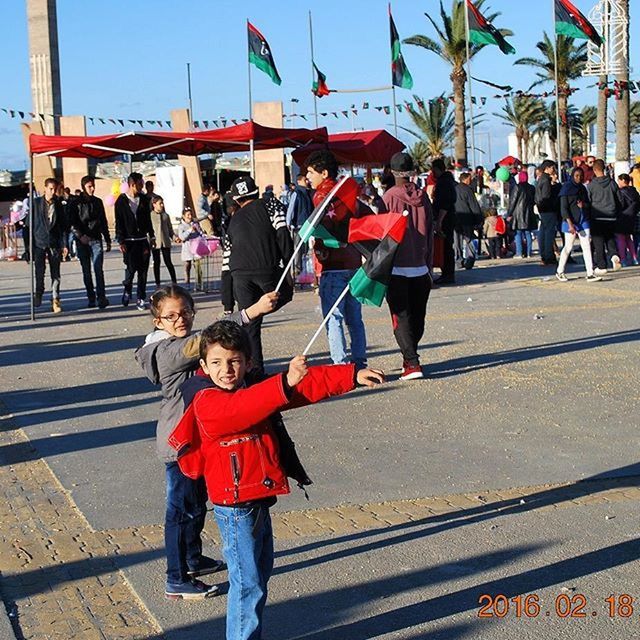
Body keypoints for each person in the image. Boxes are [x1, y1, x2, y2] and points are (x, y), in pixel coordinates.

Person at [169, 320, 384, 639]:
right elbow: (243, 409)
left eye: (234, 361)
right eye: (216, 362)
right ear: (203, 366)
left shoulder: (251, 385)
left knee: (260, 573)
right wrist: (284, 382)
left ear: (248, 361)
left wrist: (350, 375)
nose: (226, 369)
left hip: (258, 500)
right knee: (247, 584)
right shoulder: (206, 400)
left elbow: (302, 388)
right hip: (235, 508)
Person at [136, 286, 279, 601]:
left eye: (185, 312)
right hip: (180, 444)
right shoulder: (166, 351)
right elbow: (206, 341)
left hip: (201, 441)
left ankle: (192, 557)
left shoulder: (179, 342)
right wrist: (251, 312)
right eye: (170, 316)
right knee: (180, 511)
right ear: (157, 321)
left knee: (196, 504)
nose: (180, 319)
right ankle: (176, 577)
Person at [306, 150, 368, 370]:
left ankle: (340, 366)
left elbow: (322, 228)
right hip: (353, 262)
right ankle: (360, 362)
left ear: (324, 173)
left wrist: (322, 249)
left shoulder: (321, 196)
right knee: (355, 319)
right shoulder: (348, 193)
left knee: (334, 318)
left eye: (311, 172)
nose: (308, 177)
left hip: (332, 266)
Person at [227, 175, 293, 374]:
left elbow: (226, 259)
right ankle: (262, 308)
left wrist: (227, 302)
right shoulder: (270, 204)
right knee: (286, 292)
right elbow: (282, 232)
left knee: (250, 324)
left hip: (238, 273)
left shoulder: (233, 219)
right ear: (256, 191)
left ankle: (254, 370)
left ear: (237, 199)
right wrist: (289, 264)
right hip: (266, 267)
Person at [382, 152, 433, 380]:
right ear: (413, 171)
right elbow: (431, 232)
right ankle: (410, 357)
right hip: (421, 266)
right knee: (417, 317)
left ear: (392, 172)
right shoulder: (424, 198)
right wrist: (430, 264)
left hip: (397, 267)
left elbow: (382, 233)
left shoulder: (388, 198)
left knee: (400, 317)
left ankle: (412, 363)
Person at [24, 177, 68, 313]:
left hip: (54, 243)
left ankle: (55, 298)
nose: (53, 192)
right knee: (39, 271)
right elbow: (27, 227)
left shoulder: (59, 205)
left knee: (56, 273)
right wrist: (28, 248)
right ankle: (39, 292)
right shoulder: (36, 204)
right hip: (39, 242)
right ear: (45, 188)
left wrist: (64, 244)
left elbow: (63, 226)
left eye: (55, 189)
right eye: (50, 189)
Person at [68, 175, 112, 309]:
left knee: (98, 269)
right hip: (82, 240)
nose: (92, 189)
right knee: (86, 271)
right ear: (83, 187)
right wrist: (80, 236)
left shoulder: (97, 202)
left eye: (93, 186)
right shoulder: (76, 203)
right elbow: (72, 222)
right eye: (89, 186)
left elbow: (103, 221)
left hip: (96, 238)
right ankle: (91, 297)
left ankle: (101, 297)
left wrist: (107, 238)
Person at [115, 172, 154, 310]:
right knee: (131, 270)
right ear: (132, 184)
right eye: (140, 184)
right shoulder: (121, 201)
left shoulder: (144, 199)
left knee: (143, 272)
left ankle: (140, 298)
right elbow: (118, 222)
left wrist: (152, 235)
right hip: (129, 241)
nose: (142, 187)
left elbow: (148, 219)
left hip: (142, 240)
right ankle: (127, 289)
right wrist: (121, 241)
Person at [555, 167, 601, 282]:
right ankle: (560, 271)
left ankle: (590, 273)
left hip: (583, 220)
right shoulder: (566, 189)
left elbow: (588, 204)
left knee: (586, 245)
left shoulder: (582, 188)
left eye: (581, 176)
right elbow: (564, 209)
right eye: (576, 176)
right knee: (568, 246)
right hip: (569, 221)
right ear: (572, 176)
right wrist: (570, 224)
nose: (579, 178)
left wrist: (583, 205)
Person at [588, 159, 621, 275]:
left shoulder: (591, 185)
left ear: (594, 170)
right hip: (611, 216)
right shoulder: (612, 183)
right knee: (610, 238)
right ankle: (614, 255)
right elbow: (619, 200)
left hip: (597, 217)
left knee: (598, 242)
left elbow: (588, 201)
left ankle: (602, 266)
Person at [430, 158, 458, 284]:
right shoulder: (449, 181)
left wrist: (439, 222)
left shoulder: (444, 183)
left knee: (446, 246)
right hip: (449, 217)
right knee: (446, 246)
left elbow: (445, 204)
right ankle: (447, 273)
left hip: (445, 218)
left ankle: (447, 273)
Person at [285, 174, 314, 276]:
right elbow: (291, 208)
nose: (308, 181)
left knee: (307, 249)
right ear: (299, 181)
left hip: (308, 224)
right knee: (298, 248)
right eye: (305, 180)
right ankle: (298, 269)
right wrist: (288, 222)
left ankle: (307, 270)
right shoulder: (297, 193)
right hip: (299, 225)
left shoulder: (308, 193)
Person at [454, 172, 482, 268]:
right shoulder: (468, 190)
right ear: (465, 179)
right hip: (467, 219)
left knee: (457, 241)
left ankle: (459, 260)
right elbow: (474, 205)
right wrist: (479, 219)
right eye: (470, 179)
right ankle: (470, 259)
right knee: (469, 239)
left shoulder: (455, 189)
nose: (471, 181)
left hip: (456, 218)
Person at [535, 160, 560, 266]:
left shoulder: (540, 179)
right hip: (548, 209)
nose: (553, 170)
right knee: (549, 233)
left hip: (542, 209)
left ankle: (544, 254)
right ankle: (548, 255)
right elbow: (546, 196)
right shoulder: (546, 180)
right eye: (552, 168)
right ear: (548, 168)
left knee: (542, 232)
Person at [150, 195, 178, 288]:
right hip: (155, 243)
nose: (161, 205)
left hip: (165, 242)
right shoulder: (151, 215)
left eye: (162, 203)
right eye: (159, 203)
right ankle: (157, 283)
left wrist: (174, 237)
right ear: (154, 204)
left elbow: (170, 230)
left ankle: (174, 281)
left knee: (168, 262)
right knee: (156, 263)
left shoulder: (166, 215)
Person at [507, 171, 537, 258]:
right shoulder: (532, 188)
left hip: (518, 214)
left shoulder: (517, 187)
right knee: (528, 233)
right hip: (529, 214)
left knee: (518, 233)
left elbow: (513, 201)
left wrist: (509, 213)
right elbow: (534, 200)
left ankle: (519, 253)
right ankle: (528, 253)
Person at [615, 174, 640, 265]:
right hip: (632, 218)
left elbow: (620, 204)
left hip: (622, 216)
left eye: (619, 180)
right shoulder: (634, 191)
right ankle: (634, 258)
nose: (618, 183)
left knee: (621, 238)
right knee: (629, 239)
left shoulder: (621, 192)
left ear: (623, 181)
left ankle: (623, 259)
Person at [177, 208, 204, 291]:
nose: (190, 216)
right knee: (187, 266)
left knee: (198, 267)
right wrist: (189, 230)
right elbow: (182, 237)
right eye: (188, 215)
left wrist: (201, 232)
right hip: (187, 248)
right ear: (183, 216)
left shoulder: (195, 223)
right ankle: (187, 283)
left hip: (196, 248)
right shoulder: (181, 226)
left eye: (191, 214)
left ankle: (199, 284)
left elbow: (200, 233)